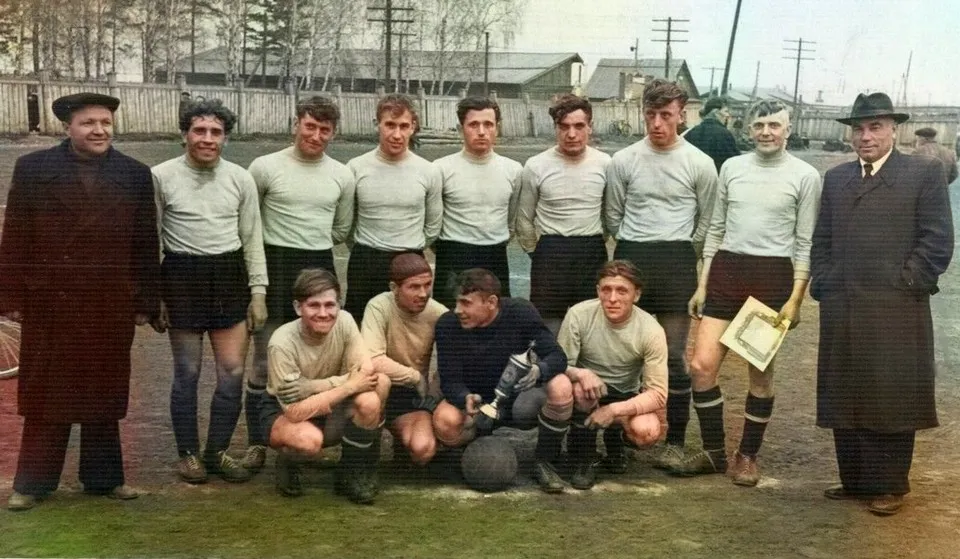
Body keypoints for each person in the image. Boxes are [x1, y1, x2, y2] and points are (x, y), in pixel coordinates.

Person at [1, 93, 161, 511]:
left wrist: (145, 300)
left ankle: (104, 479)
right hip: (50, 301)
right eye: (89, 123)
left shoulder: (134, 174)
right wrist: (11, 296)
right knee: (46, 393)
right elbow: (15, 236)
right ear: (67, 127)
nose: (99, 130)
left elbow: (145, 243)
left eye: (106, 123)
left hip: (109, 302)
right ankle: (32, 483)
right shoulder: (33, 168)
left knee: (104, 390)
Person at [812, 92, 953, 516]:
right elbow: (822, 240)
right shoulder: (837, 179)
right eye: (858, 128)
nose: (866, 136)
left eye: (875, 127)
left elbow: (937, 240)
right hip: (842, 303)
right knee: (845, 387)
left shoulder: (922, 173)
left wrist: (906, 281)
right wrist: (825, 281)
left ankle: (889, 484)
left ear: (894, 129)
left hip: (896, 306)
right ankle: (855, 480)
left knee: (890, 393)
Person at [680, 100, 822, 484]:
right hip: (726, 273)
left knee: (758, 374)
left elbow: (805, 243)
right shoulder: (732, 167)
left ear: (788, 130)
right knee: (701, 366)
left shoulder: (805, 176)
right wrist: (703, 284)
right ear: (748, 129)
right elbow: (716, 228)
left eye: (774, 125)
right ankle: (713, 452)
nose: (766, 132)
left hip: (771, 280)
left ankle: (747, 455)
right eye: (759, 125)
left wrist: (794, 299)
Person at [152, 98, 268, 484]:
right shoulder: (161, 176)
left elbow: (252, 238)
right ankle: (188, 454)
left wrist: (258, 292)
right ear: (184, 134)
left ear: (226, 138)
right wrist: (155, 295)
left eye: (216, 132)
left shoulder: (240, 179)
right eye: (199, 130)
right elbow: (151, 239)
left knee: (232, 372)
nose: (207, 138)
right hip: (182, 277)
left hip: (228, 277)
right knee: (187, 372)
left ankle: (216, 451)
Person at [604, 78, 718, 471]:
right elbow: (613, 216)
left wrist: (683, 251)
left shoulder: (699, 163)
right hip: (633, 255)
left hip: (676, 261)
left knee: (672, 356)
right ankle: (618, 441)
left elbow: (706, 221)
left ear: (682, 115)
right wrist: (635, 244)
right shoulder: (624, 160)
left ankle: (675, 441)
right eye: (650, 114)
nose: (657, 123)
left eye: (666, 115)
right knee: (623, 353)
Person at [244, 95, 355, 474]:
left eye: (325, 130)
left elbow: (341, 228)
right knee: (264, 363)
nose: (316, 135)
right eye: (310, 126)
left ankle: (304, 437)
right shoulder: (264, 167)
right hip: (275, 268)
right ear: (296, 124)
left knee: (316, 362)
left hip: (319, 266)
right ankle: (258, 443)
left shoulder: (341, 175)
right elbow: (250, 224)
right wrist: (257, 289)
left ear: (333, 133)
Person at [533, 260, 668, 492]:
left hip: (624, 394)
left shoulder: (651, 330)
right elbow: (559, 365)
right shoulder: (579, 314)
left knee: (647, 430)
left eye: (622, 291)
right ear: (598, 291)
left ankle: (615, 441)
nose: (612, 298)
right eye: (606, 290)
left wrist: (614, 410)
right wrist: (583, 373)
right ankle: (585, 457)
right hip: (588, 391)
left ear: (636, 295)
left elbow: (658, 394)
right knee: (580, 391)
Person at [262, 269, 389, 503]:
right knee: (309, 441)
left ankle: (352, 471)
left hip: (330, 399)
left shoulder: (345, 320)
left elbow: (366, 372)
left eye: (330, 305)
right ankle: (288, 460)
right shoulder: (281, 343)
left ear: (339, 304)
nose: (323, 313)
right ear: (298, 307)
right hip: (285, 411)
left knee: (376, 390)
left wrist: (313, 385)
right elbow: (294, 411)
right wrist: (348, 386)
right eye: (314, 305)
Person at [432, 269, 567, 458]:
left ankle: (547, 458)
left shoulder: (520, 312)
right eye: (457, 302)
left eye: (466, 303)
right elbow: (450, 380)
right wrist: (465, 397)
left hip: (518, 399)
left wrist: (539, 370)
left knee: (561, 386)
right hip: (476, 401)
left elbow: (557, 356)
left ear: (491, 302)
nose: (458, 310)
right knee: (445, 421)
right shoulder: (447, 325)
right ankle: (477, 448)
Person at [516, 94, 611, 333]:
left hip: (591, 252)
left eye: (579, 126)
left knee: (590, 328)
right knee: (548, 329)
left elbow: (609, 212)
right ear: (555, 128)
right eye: (564, 127)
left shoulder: (605, 163)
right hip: (551, 252)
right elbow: (524, 218)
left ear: (590, 127)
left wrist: (597, 239)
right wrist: (536, 252)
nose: (571, 134)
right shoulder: (536, 165)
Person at [344, 93, 442, 324]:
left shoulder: (428, 171)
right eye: (390, 125)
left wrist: (409, 248)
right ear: (377, 124)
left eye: (404, 126)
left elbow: (433, 225)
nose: (397, 134)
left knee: (406, 332)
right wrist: (368, 247)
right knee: (361, 331)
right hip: (366, 263)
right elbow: (347, 224)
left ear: (413, 127)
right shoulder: (355, 168)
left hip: (410, 261)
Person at [433, 97, 522, 307]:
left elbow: (511, 219)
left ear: (497, 128)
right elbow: (433, 221)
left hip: (495, 256)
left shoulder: (513, 170)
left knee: (497, 318)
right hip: (454, 257)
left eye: (488, 124)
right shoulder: (440, 169)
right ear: (460, 128)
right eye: (473, 124)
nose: (481, 131)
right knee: (452, 318)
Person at [361, 253, 447, 466]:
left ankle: (402, 443)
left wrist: (432, 396)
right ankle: (363, 460)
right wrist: (415, 377)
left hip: (410, 395)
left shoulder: (439, 314)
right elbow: (373, 359)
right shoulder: (378, 306)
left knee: (423, 450)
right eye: (414, 287)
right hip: (377, 386)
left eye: (427, 285)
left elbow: (452, 362)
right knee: (379, 382)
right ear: (394, 288)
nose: (423, 293)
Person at [683, 96, 740, 173]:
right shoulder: (724, 134)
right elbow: (735, 161)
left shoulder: (691, 132)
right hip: (717, 177)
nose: (728, 115)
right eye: (726, 111)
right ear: (716, 112)